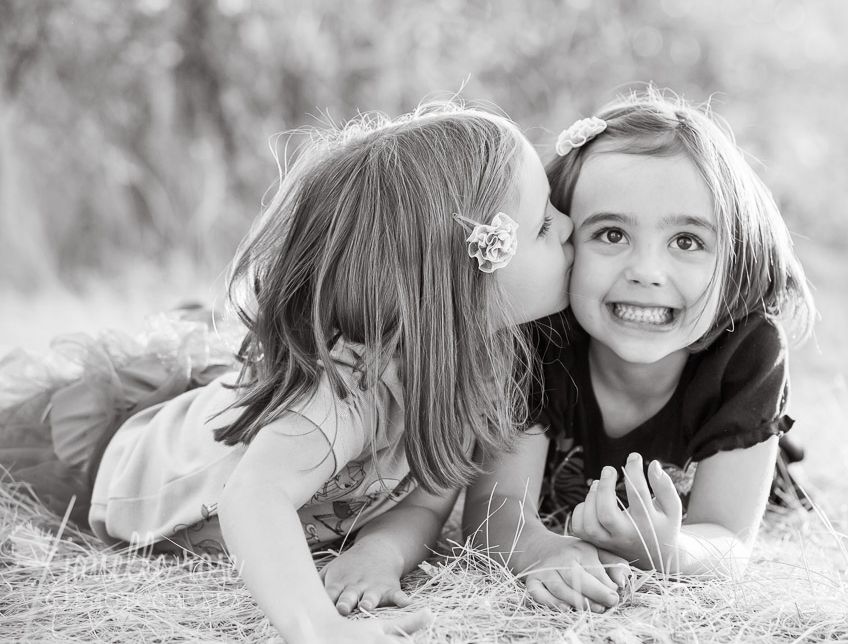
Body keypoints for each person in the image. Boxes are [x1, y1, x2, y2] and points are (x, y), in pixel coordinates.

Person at [0, 101, 575, 643]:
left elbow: (424, 503)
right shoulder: (354, 388)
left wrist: (383, 550)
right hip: (119, 466)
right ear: (463, 281)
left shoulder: (483, 368)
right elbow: (255, 497)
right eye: (544, 226)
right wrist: (319, 630)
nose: (568, 225)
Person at [463, 88, 816, 613]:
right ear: (561, 239)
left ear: (737, 259)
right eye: (610, 234)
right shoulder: (537, 337)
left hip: (732, 469)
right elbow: (497, 509)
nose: (646, 272)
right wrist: (538, 546)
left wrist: (667, 548)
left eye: (687, 242)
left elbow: (728, 540)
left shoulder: (748, 353)